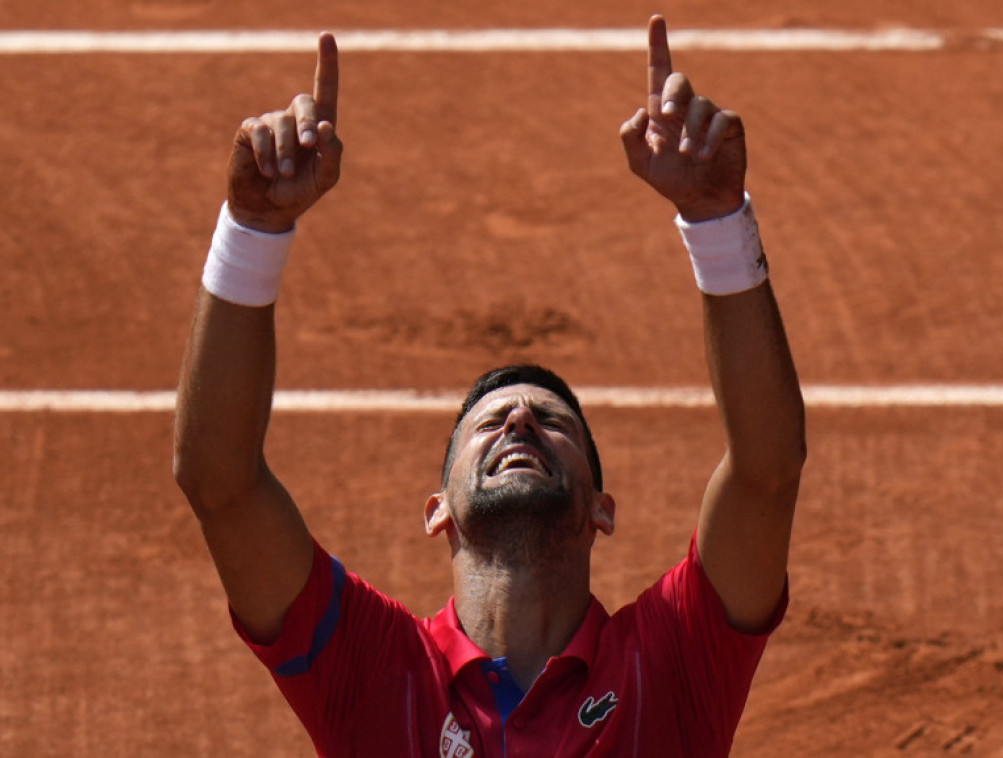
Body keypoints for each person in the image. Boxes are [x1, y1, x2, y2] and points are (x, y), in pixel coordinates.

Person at [174, 14, 805, 757]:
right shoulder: (375, 666)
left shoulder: (673, 657)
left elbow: (766, 472)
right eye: (491, 421)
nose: (519, 424)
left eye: (551, 421)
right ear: (437, 511)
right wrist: (251, 227)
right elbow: (219, 482)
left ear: (604, 509)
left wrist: (716, 221)